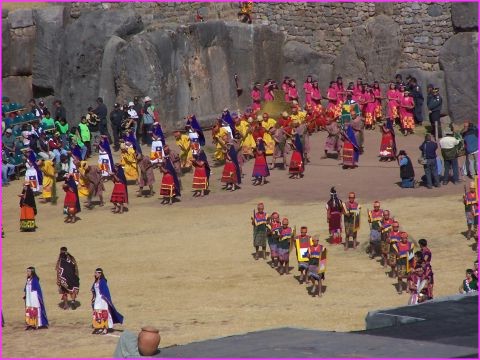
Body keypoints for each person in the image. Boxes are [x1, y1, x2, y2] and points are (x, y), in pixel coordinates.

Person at [91, 268, 124, 335]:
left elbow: (106, 292)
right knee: (97, 313)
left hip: (102, 300)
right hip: (97, 299)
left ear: (100, 274)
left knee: (104, 314)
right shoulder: (95, 282)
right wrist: (93, 298)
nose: (95, 274)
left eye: (97, 273)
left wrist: (105, 298)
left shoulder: (103, 281)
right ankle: (99, 327)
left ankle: (105, 329)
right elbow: (94, 290)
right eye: (95, 273)